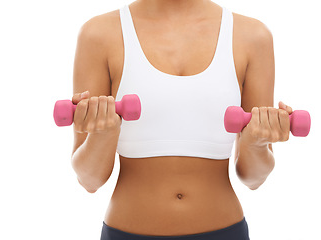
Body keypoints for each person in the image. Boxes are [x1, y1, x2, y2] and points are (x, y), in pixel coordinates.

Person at [70, 0, 293, 239]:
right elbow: (89, 179)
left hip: (225, 231)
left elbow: (254, 178)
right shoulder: (98, 34)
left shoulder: (253, 36)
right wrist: (104, 134)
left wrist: (256, 143)